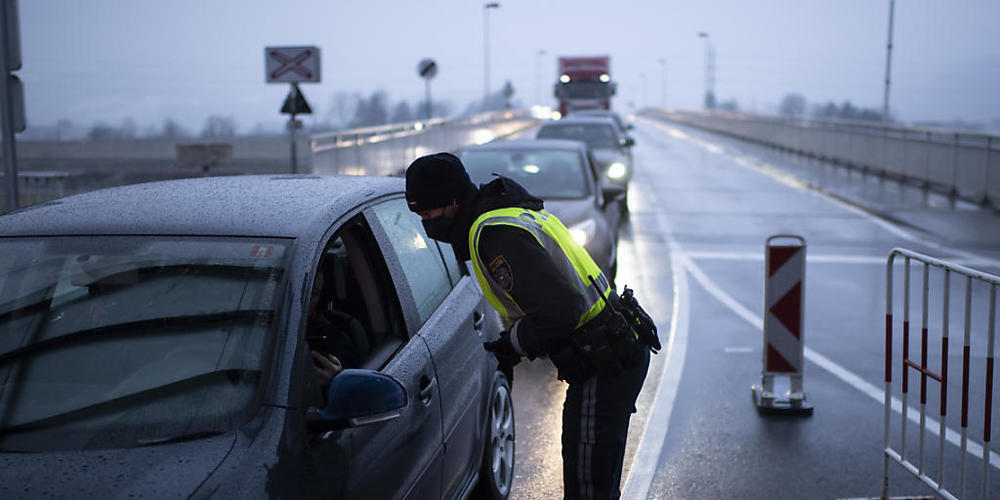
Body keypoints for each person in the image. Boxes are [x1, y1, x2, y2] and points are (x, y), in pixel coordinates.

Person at [405, 152, 652, 499]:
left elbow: (562, 311)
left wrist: (513, 345)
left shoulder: (494, 236)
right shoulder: (507, 213)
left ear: (453, 202)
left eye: (428, 213)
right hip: (615, 345)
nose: (425, 223)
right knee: (597, 485)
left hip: (603, 361)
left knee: (588, 490)